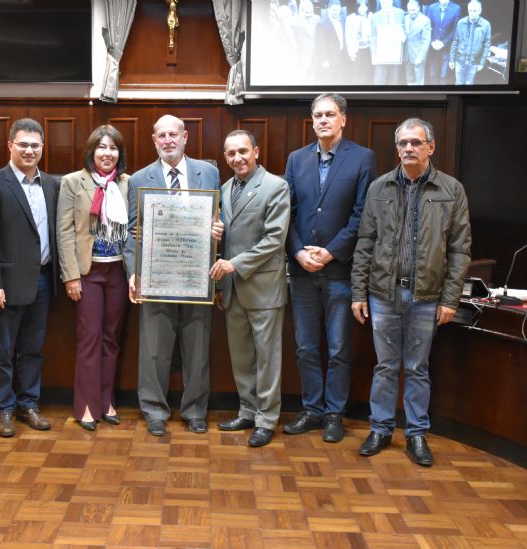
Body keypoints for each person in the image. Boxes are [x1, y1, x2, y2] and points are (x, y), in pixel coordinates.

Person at [351, 118, 471, 466]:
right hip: (383, 295)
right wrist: (359, 292)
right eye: (403, 143)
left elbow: (460, 249)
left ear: (430, 147)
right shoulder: (380, 187)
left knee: (417, 368)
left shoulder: (451, 190)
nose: (408, 149)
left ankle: (417, 434)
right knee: (385, 366)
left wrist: (451, 298)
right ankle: (381, 428)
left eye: (416, 143)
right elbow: (365, 243)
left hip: (426, 297)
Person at [283, 93, 376, 443]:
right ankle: (313, 409)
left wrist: (331, 252)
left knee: (338, 348)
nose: (323, 120)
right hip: (302, 270)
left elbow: (362, 215)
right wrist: (296, 252)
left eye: (330, 114)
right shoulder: (296, 159)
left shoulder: (363, 158)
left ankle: (335, 413)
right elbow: (285, 213)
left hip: (339, 271)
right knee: (306, 346)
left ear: (343, 119)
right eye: (318, 115)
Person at [123, 114, 222, 437]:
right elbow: (130, 232)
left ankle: (195, 410)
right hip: (155, 277)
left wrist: (219, 229)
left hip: (198, 276)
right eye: (161, 135)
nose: (168, 140)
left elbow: (220, 219)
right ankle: (154, 409)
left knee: (198, 347)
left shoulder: (208, 173)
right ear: (154, 140)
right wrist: (133, 273)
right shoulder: (139, 178)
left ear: (185, 137)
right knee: (153, 348)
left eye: (173, 134)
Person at [0, 118, 60, 437]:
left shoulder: (52, 184)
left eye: (35, 145)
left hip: (43, 280)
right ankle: (4, 409)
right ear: (10, 145)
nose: (29, 150)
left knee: (33, 349)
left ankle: (29, 404)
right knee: (3, 350)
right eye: (23, 144)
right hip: (4, 286)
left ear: (42, 148)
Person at [211, 130, 290, 448]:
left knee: (267, 358)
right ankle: (247, 411)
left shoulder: (275, 186)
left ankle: (267, 420)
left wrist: (235, 264)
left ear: (256, 151)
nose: (237, 158)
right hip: (231, 289)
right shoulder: (225, 188)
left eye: (243, 151)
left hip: (263, 288)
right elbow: (225, 240)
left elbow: (274, 240)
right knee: (241, 357)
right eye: (230, 153)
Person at [57, 125, 129, 431]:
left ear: (119, 154)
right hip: (87, 273)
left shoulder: (128, 183)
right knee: (89, 339)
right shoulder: (73, 182)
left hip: (118, 272)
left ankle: (106, 402)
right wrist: (71, 276)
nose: (107, 154)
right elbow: (64, 231)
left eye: (113, 148)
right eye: (102, 147)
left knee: (111, 340)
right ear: (91, 151)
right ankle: (86, 406)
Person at [449, 0, 491, 85]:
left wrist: (481, 63)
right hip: (460, 61)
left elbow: (487, 45)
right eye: (470, 10)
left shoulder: (486, 25)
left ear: (480, 11)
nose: (472, 13)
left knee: (469, 84)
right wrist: (451, 60)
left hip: (474, 63)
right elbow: (455, 42)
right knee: (458, 83)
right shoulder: (461, 23)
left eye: (474, 11)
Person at [370, 0, 405, 85]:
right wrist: (374, 54)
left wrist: (403, 36)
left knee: (394, 80)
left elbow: (404, 29)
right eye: (383, 2)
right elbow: (373, 36)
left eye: (387, 2)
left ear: (392, 1)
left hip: (395, 53)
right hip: (381, 53)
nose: (385, 4)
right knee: (379, 81)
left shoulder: (400, 13)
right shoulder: (375, 16)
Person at [426, 0, 461, 85]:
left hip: (447, 47)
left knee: (443, 75)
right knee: (432, 74)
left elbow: (455, 31)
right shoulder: (432, 7)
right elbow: (427, 28)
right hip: (433, 47)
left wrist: (443, 43)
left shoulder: (456, 8)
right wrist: (432, 42)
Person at [315, 0, 348, 84]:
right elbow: (320, 44)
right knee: (331, 82)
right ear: (329, 9)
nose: (336, 12)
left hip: (342, 56)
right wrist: (324, 60)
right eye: (334, 10)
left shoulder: (344, 20)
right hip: (330, 60)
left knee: (342, 80)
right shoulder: (322, 23)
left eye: (337, 10)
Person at [404, 0, 432, 85]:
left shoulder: (425, 20)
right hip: (406, 55)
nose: (411, 12)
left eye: (413, 10)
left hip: (418, 55)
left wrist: (420, 57)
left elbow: (426, 41)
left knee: (419, 82)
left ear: (419, 8)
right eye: (409, 10)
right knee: (409, 80)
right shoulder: (405, 17)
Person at [345, 0, 373, 82]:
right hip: (356, 50)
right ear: (357, 7)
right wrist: (351, 53)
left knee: (367, 74)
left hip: (368, 49)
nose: (362, 9)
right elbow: (348, 37)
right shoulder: (350, 18)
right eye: (360, 6)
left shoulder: (371, 16)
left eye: (365, 6)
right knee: (356, 75)